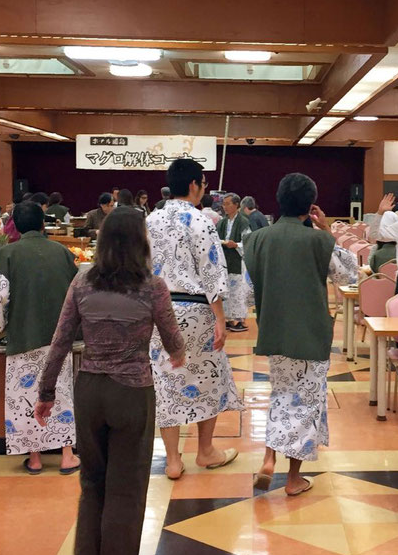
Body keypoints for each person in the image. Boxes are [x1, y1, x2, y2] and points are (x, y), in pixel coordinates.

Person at [36, 207, 185, 555]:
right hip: (132, 393)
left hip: (90, 389)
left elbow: (60, 341)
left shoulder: (82, 283)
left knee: (92, 481)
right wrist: (178, 354)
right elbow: (173, 342)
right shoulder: (153, 287)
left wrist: (46, 393)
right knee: (127, 487)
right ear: (141, 243)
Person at [245, 173, 357, 496]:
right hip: (310, 333)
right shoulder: (319, 241)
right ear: (310, 206)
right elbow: (348, 274)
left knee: (280, 395)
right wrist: (326, 230)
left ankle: (269, 457)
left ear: (278, 201)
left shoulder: (257, 240)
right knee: (306, 404)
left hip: (274, 331)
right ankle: (293, 479)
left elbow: (249, 295)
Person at [147, 158, 243, 480]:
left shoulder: (152, 220)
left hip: (159, 310)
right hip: (196, 309)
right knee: (209, 377)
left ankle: (173, 460)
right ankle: (205, 451)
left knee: (165, 380)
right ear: (193, 185)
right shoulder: (200, 221)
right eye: (203, 183)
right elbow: (212, 272)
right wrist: (221, 319)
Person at [0, 203, 80, 475]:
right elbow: (77, 290)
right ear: (42, 224)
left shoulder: (6, 255)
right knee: (59, 392)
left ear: (16, 226)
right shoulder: (62, 252)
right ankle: (66, 455)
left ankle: (35, 458)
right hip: (58, 336)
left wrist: (0, 323)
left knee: (24, 395)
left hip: (23, 334)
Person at [216, 193, 251, 333]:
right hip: (225, 260)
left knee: (237, 291)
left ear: (236, 205)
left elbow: (248, 242)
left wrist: (236, 245)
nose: (225, 206)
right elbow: (215, 238)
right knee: (226, 291)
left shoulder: (243, 221)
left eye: (227, 203)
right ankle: (229, 319)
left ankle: (240, 320)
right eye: (223, 204)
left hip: (237, 260)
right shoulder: (222, 222)